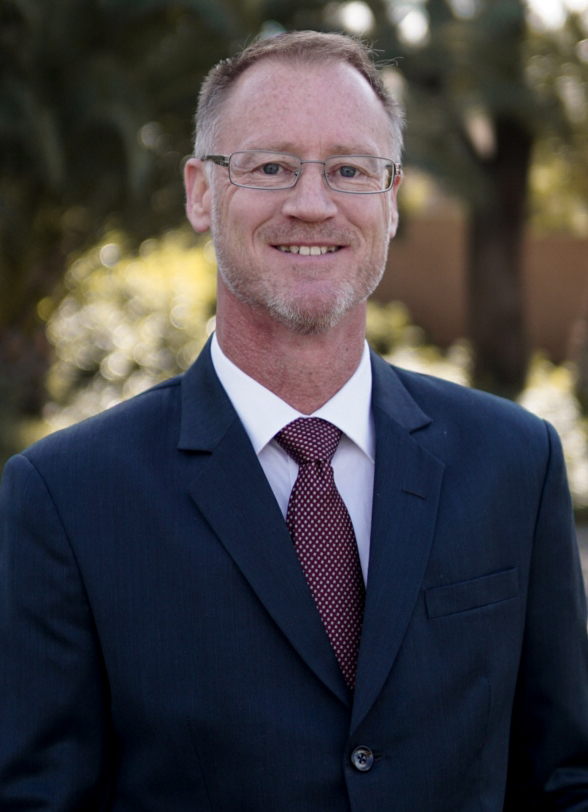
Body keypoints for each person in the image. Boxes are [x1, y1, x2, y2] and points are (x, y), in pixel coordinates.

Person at [1, 29, 588, 812]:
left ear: (391, 198)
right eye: (271, 166)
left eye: (349, 169)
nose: (312, 204)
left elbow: (566, 781)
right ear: (201, 192)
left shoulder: (517, 463)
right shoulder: (64, 499)